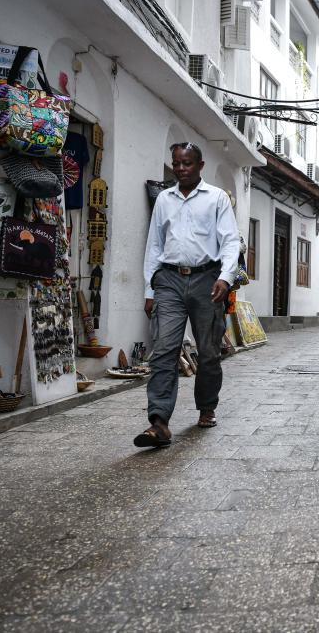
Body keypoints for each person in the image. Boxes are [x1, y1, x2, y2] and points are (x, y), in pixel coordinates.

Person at [133, 142, 240, 448]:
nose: (181, 168)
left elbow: (230, 241)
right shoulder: (164, 200)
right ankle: (159, 422)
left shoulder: (217, 198)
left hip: (207, 279)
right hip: (168, 280)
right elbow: (154, 244)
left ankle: (207, 407)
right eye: (177, 163)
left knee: (208, 351)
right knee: (165, 349)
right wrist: (150, 289)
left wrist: (225, 277)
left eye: (187, 163)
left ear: (200, 165)